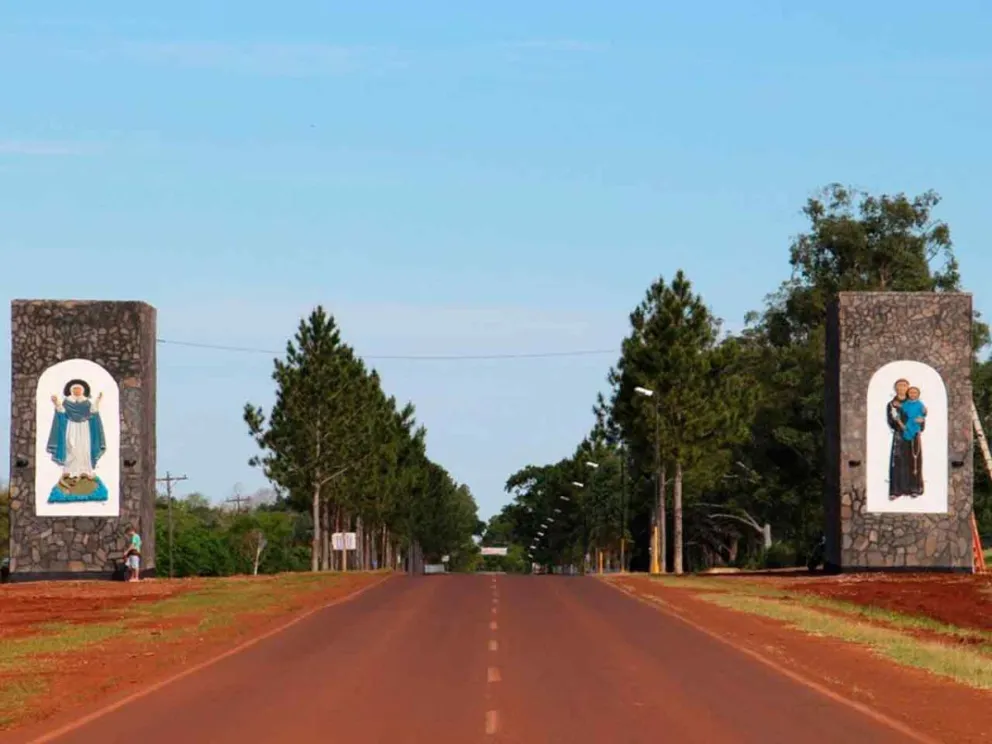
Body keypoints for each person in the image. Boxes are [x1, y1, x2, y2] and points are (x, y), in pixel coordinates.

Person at [46, 379, 108, 503]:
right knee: (71, 448)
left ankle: (85, 471)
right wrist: (57, 402)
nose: (77, 391)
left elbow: (93, 412)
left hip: (84, 429)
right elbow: (62, 411)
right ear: (71, 390)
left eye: (79, 389)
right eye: (75, 389)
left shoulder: (86, 403)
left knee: (84, 449)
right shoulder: (67, 402)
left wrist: (97, 400)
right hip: (71, 427)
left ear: (83, 390)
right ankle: (70, 472)